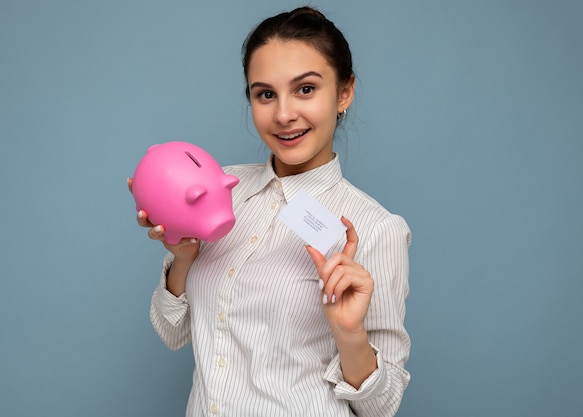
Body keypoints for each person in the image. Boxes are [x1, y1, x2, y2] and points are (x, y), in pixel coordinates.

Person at [130, 7, 411, 417]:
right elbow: (172, 332)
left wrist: (349, 334)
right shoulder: (221, 190)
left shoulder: (376, 228)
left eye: (305, 89)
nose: (283, 114)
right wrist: (182, 258)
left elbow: (381, 407)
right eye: (265, 94)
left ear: (344, 92)